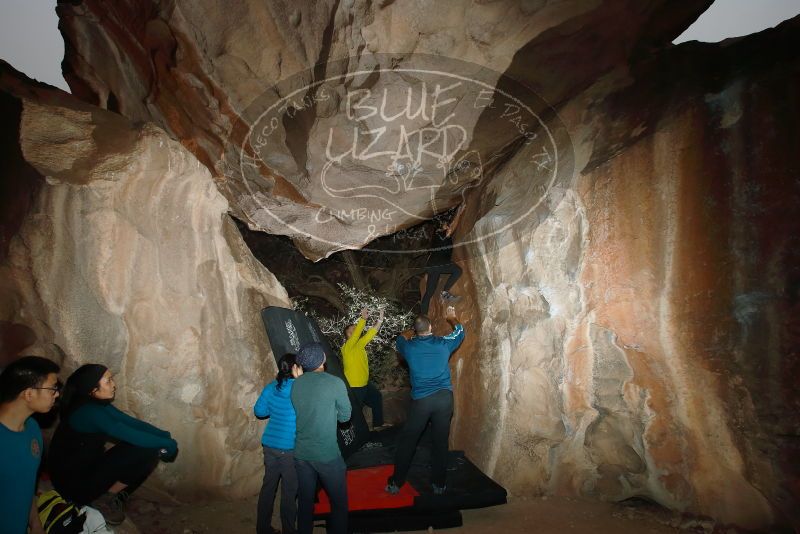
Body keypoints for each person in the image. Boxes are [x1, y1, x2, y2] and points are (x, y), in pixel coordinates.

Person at [48, 364, 178, 526]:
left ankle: (109, 494)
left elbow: (130, 422)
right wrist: (167, 444)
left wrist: (162, 435)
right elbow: (130, 434)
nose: (114, 384)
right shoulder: (89, 412)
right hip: (74, 485)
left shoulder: (93, 404)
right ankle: (104, 499)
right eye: (108, 381)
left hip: (85, 469)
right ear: (92, 389)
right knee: (148, 449)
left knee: (150, 445)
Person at [386, 306, 465, 496]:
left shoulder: (408, 347)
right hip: (444, 400)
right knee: (440, 442)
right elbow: (460, 332)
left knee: (408, 441)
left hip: (422, 402)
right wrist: (452, 318)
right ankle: (439, 484)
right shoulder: (443, 343)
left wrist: (411, 331)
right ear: (430, 327)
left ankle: (396, 483)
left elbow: (400, 337)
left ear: (417, 330)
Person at [291, 343, 352, 534]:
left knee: (306, 502)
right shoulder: (334, 383)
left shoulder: (296, 383)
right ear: (322, 360)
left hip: (301, 454)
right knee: (339, 504)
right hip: (326, 455)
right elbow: (345, 417)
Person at [0, 356, 60, 534]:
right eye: (52, 388)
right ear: (29, 394)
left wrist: (35, 523)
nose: (57, 394)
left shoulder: (33, 429)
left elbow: (28, 484)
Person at [254, 354, 303, 534]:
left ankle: (262, 528)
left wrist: (274, 409)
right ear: (295, 367)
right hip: (289, 448)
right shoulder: (300, 388)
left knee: (268, 488)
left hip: (270, 446)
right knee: (289, 493)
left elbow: (259, 411)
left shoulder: (271, 387)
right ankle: (289, 530)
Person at [341, 307, 386, 430]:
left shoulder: (359, 345)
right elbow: (356, 336)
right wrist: (363, 319)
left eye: (356, 329)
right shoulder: (347, 348)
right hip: (354, 386)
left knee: (376, 397)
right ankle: (355, 435)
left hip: (364, 384)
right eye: (353, 330)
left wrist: (380, 320)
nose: (356, 331)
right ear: (348, 335)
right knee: (355, 412)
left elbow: (371, 333)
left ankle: (377, 425)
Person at [420, 218, 462, 314]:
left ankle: (423, 316)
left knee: (429, 292)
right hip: (439, 263)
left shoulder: (435, 237)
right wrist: (460, 212)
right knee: (458, 270)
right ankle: (445, 292)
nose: (447, 226)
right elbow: (451, 229)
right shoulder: (439, 233)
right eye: (446, 224)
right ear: (441, 227)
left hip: (433, 266)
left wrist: (427, 272)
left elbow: (430, 255)